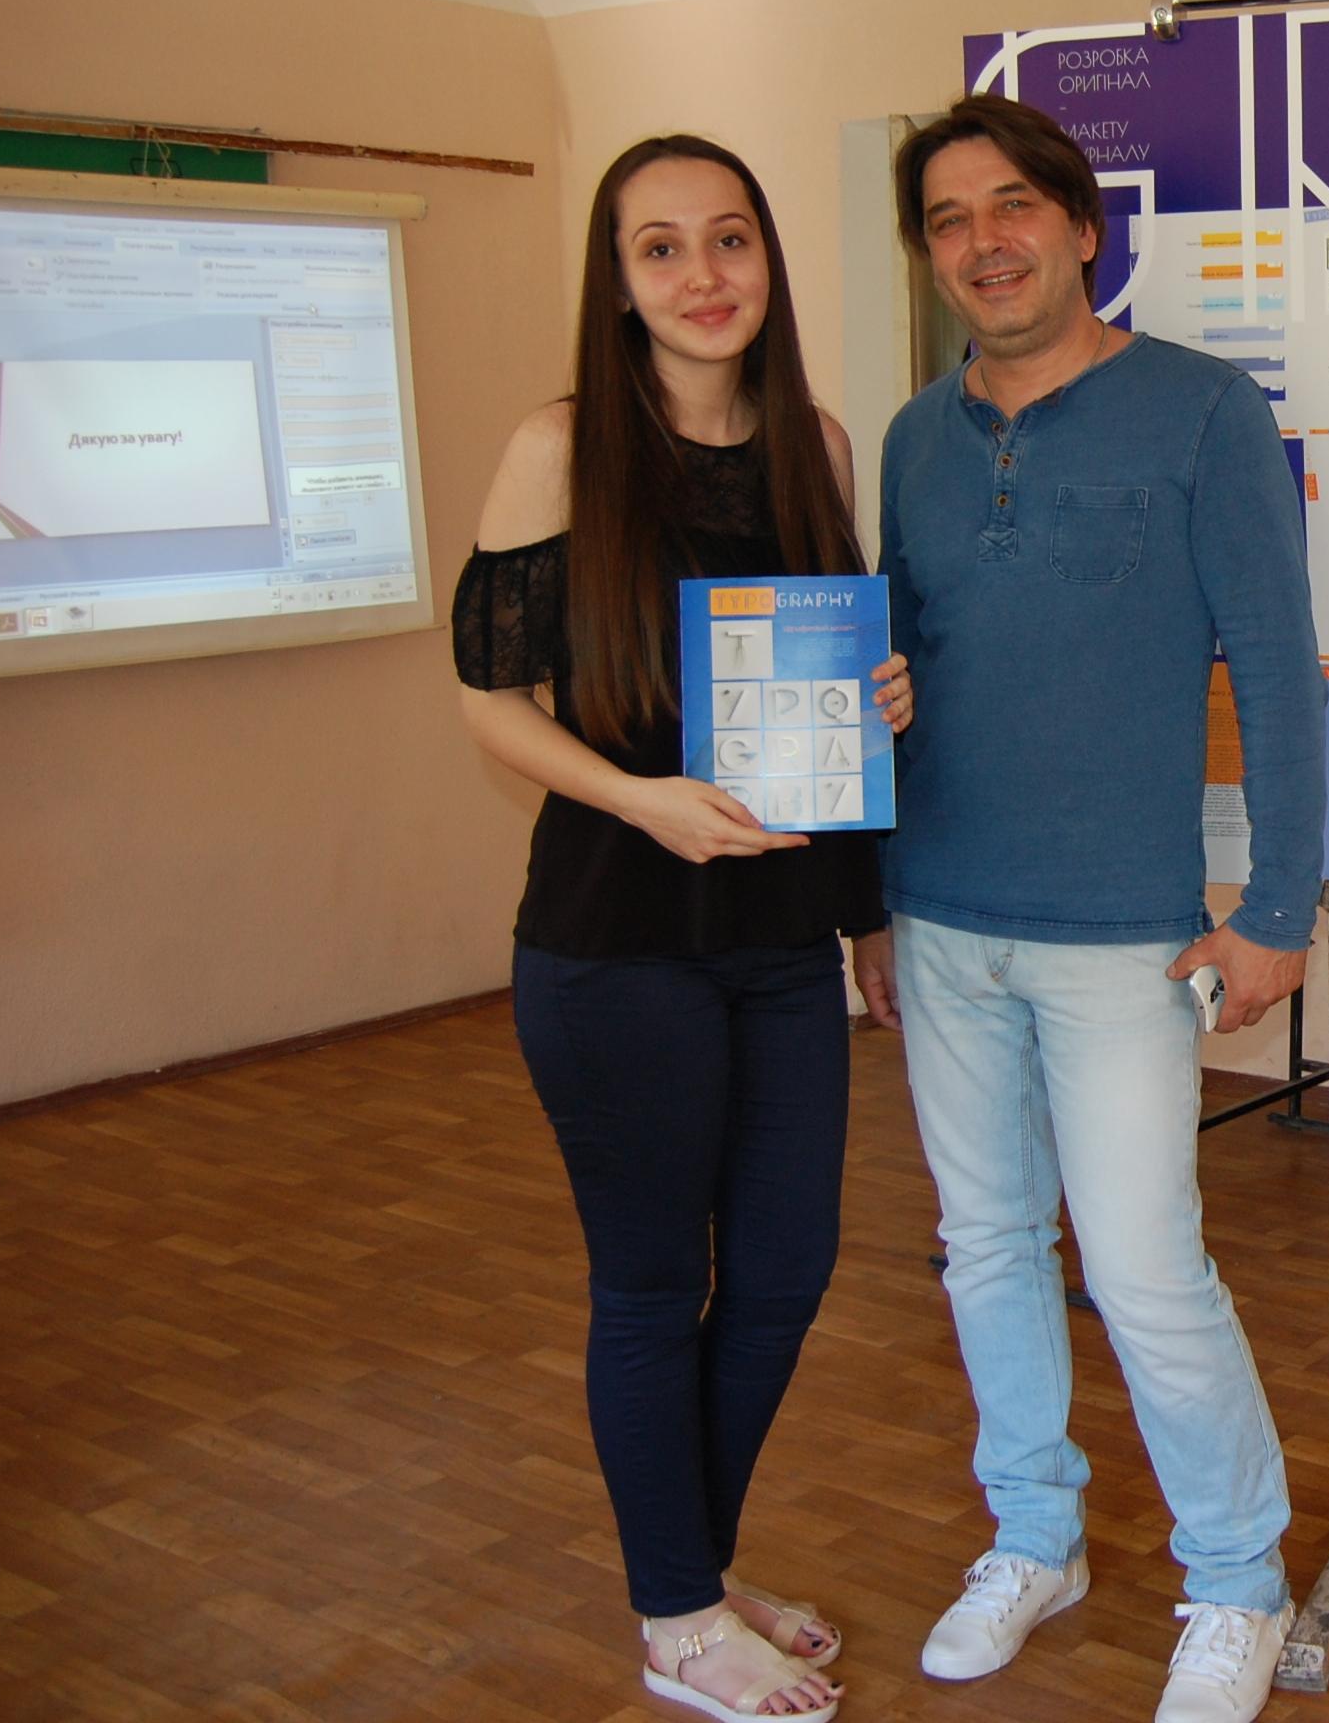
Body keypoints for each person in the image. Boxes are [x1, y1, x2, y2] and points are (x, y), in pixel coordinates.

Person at [853, 94, 1321, 1723]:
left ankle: (1239, 1579)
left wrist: (1277, 906)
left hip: (1125, 935)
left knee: (1142, 1272)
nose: (982, 243)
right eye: (947, 219)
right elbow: (886, 676)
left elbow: (1277, 673)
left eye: (1011, 208)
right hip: (939, 917)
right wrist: (868, 902)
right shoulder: (914, 439)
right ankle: (1034, 1539)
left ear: (1077, 226)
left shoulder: (1204, 413)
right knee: (985, 1249)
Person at [455, 135, 911, 1723]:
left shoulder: (815, 444)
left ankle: (694, 1574)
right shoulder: (560, 448)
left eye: (730, 239)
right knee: (654, 1288)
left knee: (784, 1272)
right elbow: (489, 701)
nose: (703, 275)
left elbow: (831, 688)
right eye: (661, 248)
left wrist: (875, 737)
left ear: (767, 260)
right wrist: (641, 799)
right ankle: (676, 1616)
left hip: (781, 937)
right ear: (619, 281)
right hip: (616, 943)